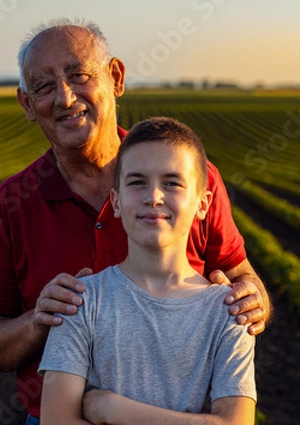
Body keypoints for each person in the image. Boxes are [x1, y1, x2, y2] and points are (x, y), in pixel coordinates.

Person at [0, 18, 269, 424]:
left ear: (116, 77)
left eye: (79, 75)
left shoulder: (194, 179)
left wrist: (251, 301)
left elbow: (240, 276)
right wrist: (37, 321)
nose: (66, 98)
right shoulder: (10, 208)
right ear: (27, 105)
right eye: (44, 86)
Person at [39, 117, 256, 425]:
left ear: (203, 204)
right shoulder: (80, 301)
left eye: (172, 183)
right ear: (116, 201)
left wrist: (110, 409)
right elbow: (56, 421)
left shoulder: (227, 311)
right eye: (137, 182)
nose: (153, 197)